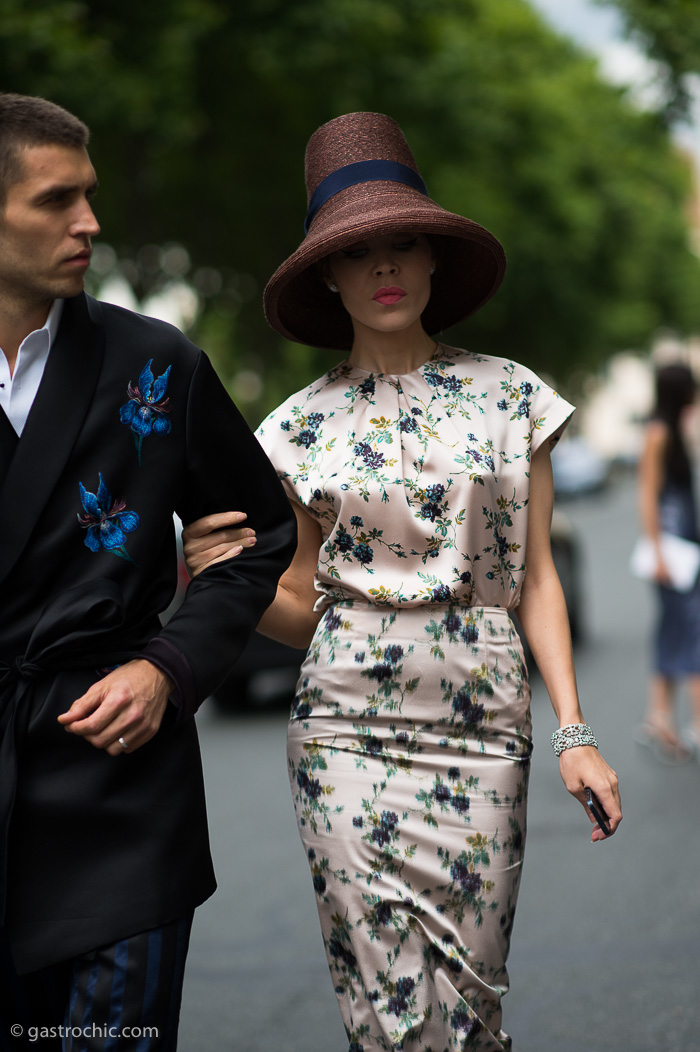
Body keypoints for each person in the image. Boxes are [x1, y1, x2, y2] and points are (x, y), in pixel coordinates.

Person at [184, 112, 622, 1051]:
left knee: (468, 1007)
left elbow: (536, 578)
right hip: (343, 730)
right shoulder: (293, 431)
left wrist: (575, 731)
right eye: (359, 252)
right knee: (386, 1009)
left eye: (404, 244)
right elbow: (306, 609)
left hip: (482, 726)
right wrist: (231, 579)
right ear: (328, 276)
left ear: (433, 264)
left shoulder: (513, 396)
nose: (384, 266)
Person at [0, 93, 296, 1050]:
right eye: (56, 201)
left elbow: (261, 539)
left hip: (119, 786)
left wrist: (167, 667)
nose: (89, 221)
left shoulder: (153, 363)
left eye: (89, 196)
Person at [635, 362, 700, 762]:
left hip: (683, 550)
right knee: (691, 630)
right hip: (672, 555)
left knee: (674, 629)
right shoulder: (659, 433)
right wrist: (657, 551)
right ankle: (694, 721)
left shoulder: (674, 430)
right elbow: (647, 494)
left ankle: (658, 717)